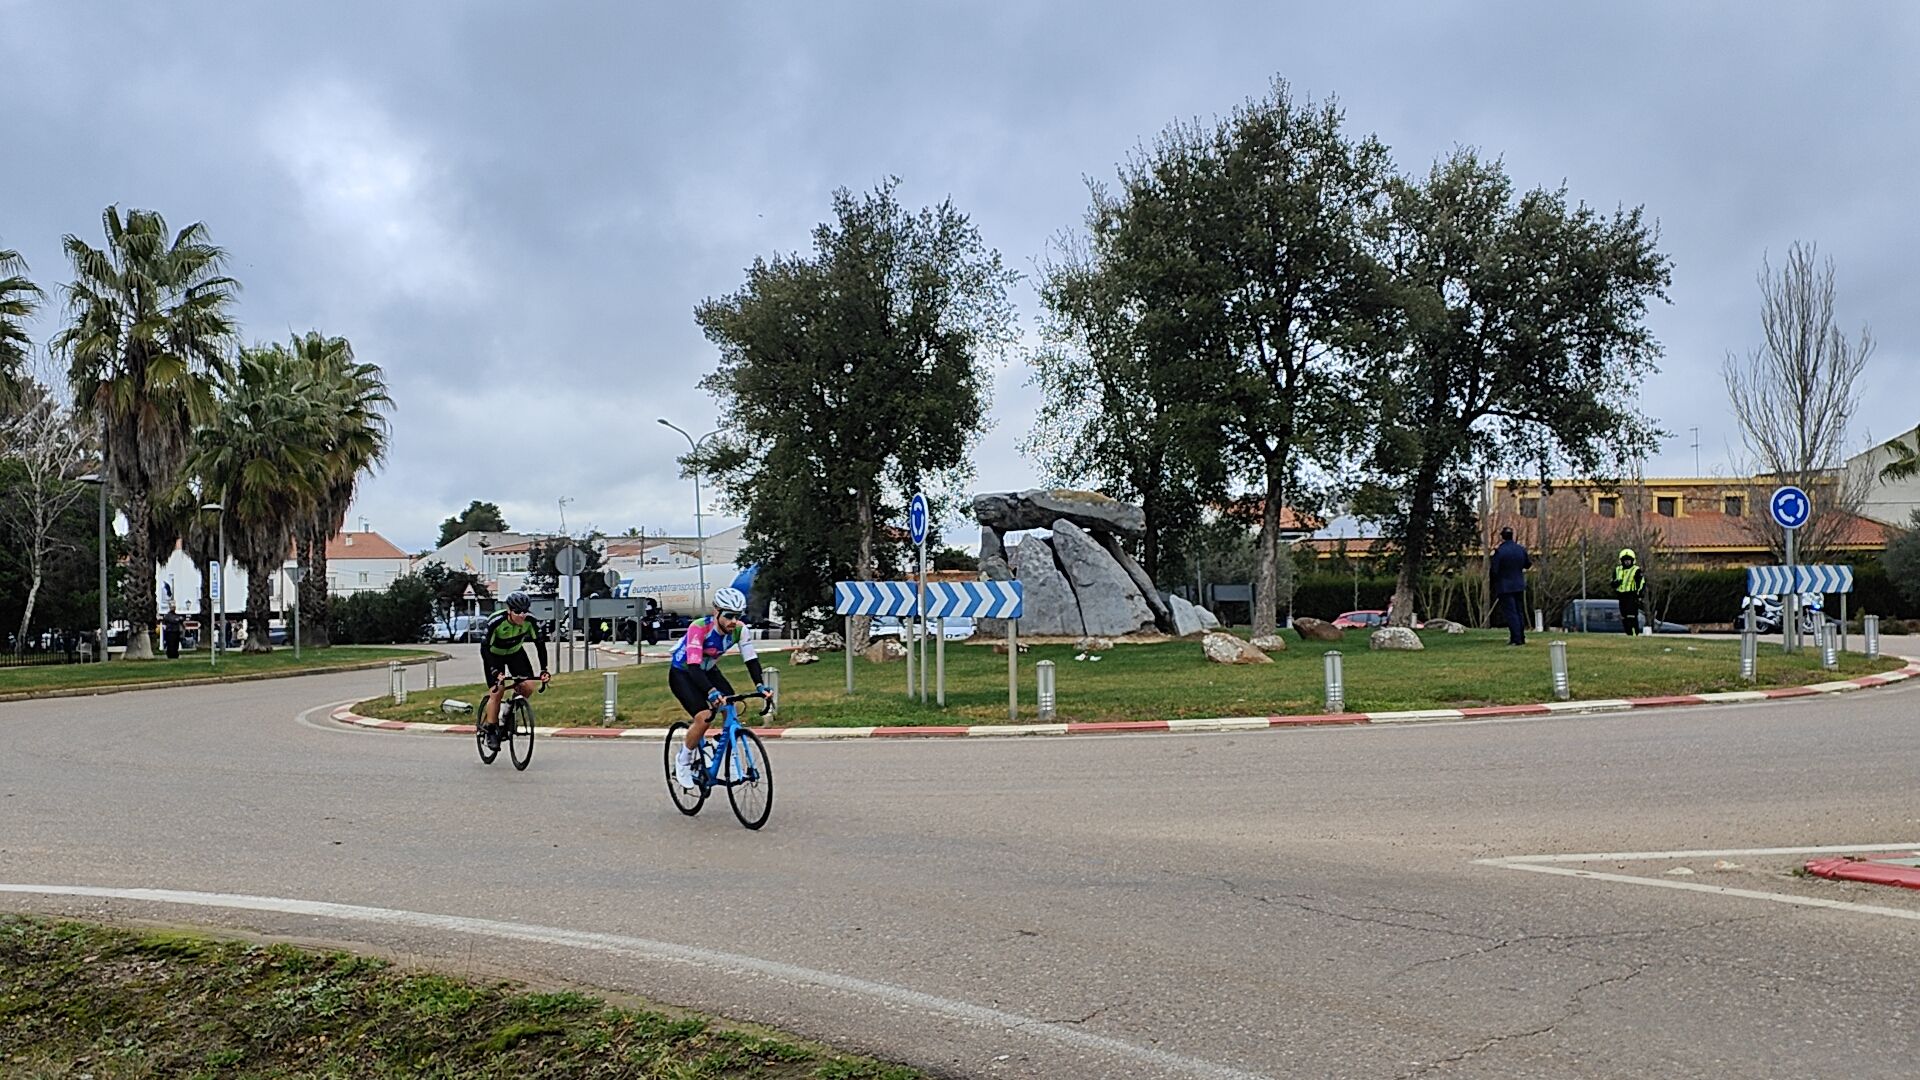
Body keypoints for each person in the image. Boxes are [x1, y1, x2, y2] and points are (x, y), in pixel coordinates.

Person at [669, 587, 770, 790]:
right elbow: (694, 667)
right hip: (684, 672)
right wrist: (711, 692)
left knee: (731, 705)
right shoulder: (699, 628)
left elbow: (751, 659)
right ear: (716, 612)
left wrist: (761, 686)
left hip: (709, 670)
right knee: (704, 716)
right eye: (729, 616)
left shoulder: (740, 630)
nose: (734, 621)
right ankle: (684, 759)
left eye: (738, 616)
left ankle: (725, 751)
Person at [479, 591, 550, 751]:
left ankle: (508, 710)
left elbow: (540, 645)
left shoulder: (530, 621)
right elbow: (484, 649)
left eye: (525, 611)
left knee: (528, 686)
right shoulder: (496, 622)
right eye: (518, 612)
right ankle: (490, 730)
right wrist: (495, 671)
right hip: (494, 655)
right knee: (497, 692)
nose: (522, 615)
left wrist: (544, 669)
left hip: (515, 653)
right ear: (509, 611)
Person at [1489, 526, 1532, 646]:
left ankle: (1516, 638)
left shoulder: (1500, 551)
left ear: (1502, 537)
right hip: (1518, 584)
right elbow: (1528, 564)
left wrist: (1493, 583)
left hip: (1504, 586)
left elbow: (1494, 570)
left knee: (1511, 613)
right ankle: (1521, 637)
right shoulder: (1521, 549)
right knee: (1519, 612)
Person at [1613, 549, 1644, 636]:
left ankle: (1635, 633)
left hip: (1632, 595)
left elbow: (1641, 582)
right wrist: (1615, 583)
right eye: (1625, 560)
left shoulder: (1636, 570)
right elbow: (1612, 582)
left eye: (1628, 560)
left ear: (1632, 560)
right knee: (1624, 615)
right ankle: (1628, 633)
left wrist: (1639, 594)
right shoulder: (1617, 570)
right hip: (1621, 595)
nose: (1627, 562)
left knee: (1632, 615)